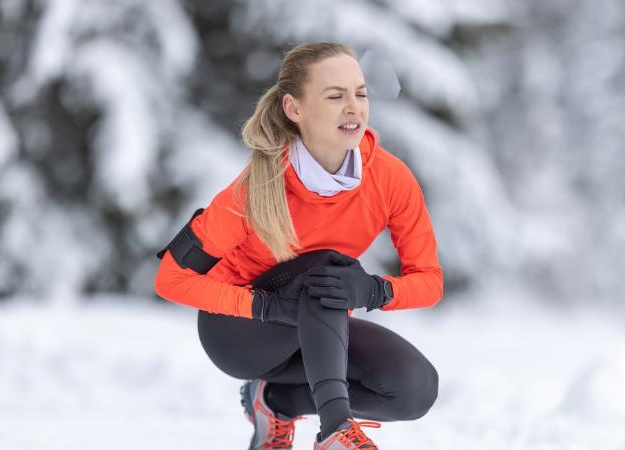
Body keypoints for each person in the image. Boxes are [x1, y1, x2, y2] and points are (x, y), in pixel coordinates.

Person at [153, 41, 443, 450]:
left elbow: (429, 281)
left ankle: (276, 401)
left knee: (413, 387)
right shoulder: (255, 189)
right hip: (239, 333)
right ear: (294, 109)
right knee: (326, 265)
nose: (354, 108)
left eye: (360, 94)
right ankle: (335, 430)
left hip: (312, 326)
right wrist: (263, 306)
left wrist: (375, 291)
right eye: (335, 96)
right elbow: (170, 279)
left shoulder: (390, 178)